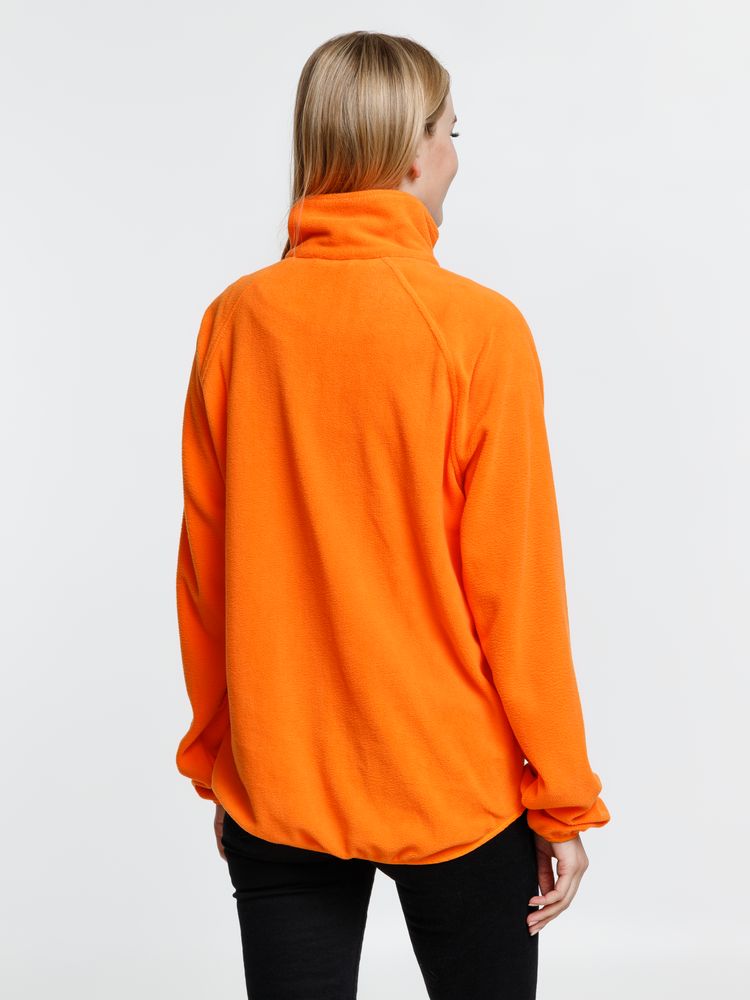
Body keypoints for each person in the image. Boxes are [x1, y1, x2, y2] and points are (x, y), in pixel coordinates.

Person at [174, 29, 611, 1000]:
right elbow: (517, 595)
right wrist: (564, 800)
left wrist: (220, 758)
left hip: (278, 779)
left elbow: (206, 572)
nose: (455, 155)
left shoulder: (235, 322)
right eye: (452, 132)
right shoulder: (478, 330)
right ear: (411, 154)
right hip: (451, 786)